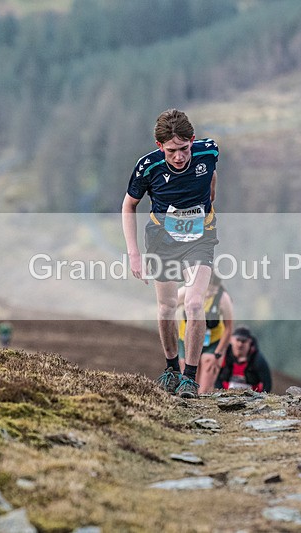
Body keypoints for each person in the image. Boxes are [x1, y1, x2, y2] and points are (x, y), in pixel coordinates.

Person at [122, 109, 220, 399]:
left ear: (192, 141)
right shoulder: (147, 167)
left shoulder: (208, 151)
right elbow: (129, 206)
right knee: (166, 307)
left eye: (184, 149)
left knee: (192, 303)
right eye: (172, 151)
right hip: (161, 239)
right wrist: (134, 253)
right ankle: (171, 368)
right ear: (159, 146)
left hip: (200, 237)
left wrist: (210, 198)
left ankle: (190, 377)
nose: (179, 157)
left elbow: (212, 176)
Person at [177, 272, 234, 394]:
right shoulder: (186, 291)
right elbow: (168, 309)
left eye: (214, 290)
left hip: (212, 343)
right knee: (188, 379)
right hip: (187, 341)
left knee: (205, 384)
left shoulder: (223, 298)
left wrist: (218, 354)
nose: (210, 293)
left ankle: (203, 404)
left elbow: (229, 328)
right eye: (208, 289)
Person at [216, 326, 272, 393]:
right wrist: (221, 393)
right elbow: (217, 377)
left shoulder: (257, 359)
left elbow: (267, 383)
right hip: (226, 394)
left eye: (243, 341)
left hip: (252, 397)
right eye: (238, 340)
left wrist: (260, 398)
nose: (240, 344)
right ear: (231, 340)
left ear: (250, 341)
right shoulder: (224, 356)